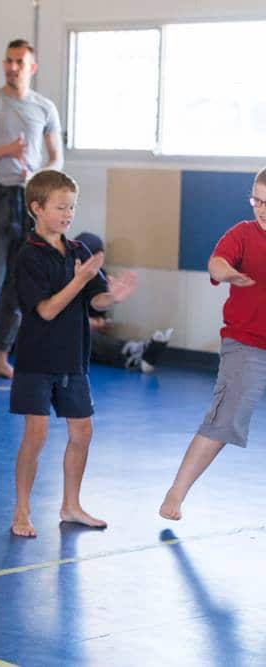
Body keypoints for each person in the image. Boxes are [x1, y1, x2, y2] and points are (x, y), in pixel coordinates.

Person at [9, 170, 137, 538]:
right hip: (36, 361)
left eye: (72, 207)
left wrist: (112, 296)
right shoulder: (27, 256)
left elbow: (93, 299)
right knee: (35, 437)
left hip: (72, 360)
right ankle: (22, 510)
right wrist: (79, 281)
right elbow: (46, 310)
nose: (68, 214)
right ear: (36, 208)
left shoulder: (78, 250)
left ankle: (71, 505)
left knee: (82, 432)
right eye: (61, 207)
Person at [160, 168, 266, 521]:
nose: (261, 209)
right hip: (247, 343)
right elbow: (217, 262)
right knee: (226, 417)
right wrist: (227, 272)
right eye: (257, 201)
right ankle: (176, 492)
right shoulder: (243, 234)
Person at [0, 39, 63, 384]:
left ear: (32, 68)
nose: (13, 67)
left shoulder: (45, 107)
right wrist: (8, 150)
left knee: (19, 285)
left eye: (20, 62)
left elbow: (56, 158)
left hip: (28, 198)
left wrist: (38, 175)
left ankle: (2, 356)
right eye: (8, 60)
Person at [74, 232, 172, 372]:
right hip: (65, 335)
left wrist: (108, 303)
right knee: (80, 334)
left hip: (85, 333)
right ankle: (132, 354)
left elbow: (97, 311)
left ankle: (136, 353)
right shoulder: (65, 274)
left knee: (88, 337)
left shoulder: (100, 276)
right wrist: (87, 322)